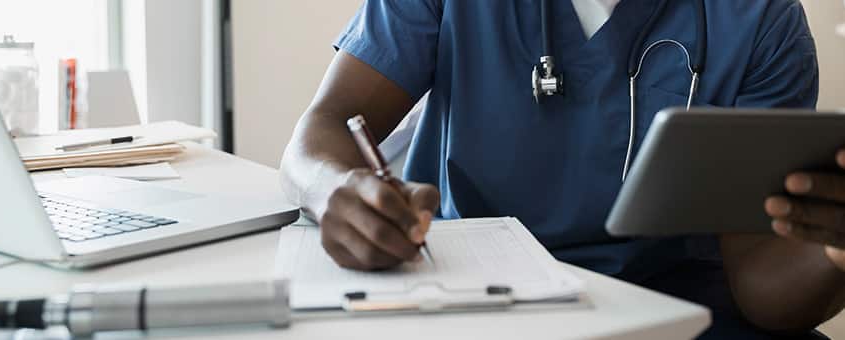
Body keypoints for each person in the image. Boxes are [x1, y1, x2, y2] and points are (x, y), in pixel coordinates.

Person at [280, 0, 844, 338]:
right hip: (471, 306)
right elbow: (323, 129)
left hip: (667, 320)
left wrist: (836, 256)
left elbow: (761, 285)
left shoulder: (762, 22)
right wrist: (335, 191)